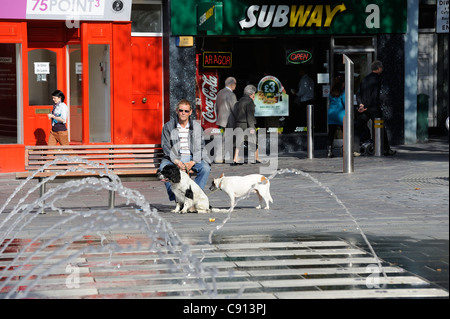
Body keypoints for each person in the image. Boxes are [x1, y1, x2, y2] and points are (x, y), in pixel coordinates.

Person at [160, 99, 211, 201]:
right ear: (176, 110)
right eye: (181, 110)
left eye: (186, 111)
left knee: (205, 168)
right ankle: (177, 198)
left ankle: (194, 197)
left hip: (192, 157)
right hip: (174, 157)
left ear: (190, 112)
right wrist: (176, 161)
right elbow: (166, 146)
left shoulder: (196, 127)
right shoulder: (168, 126)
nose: (183, 113)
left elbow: (200, 147)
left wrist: (192, 162)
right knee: (164, 168)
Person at [356, 60, 396, 156]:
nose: (382, 70)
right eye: (381, 68)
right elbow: (374, 95)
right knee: (380, 127)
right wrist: (368, 106)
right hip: (373, 108)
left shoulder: (365, 79)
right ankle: (386, 149)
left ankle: (355, 149)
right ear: (378, 69)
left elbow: (358, 93)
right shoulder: (378, 79)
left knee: (358, 127)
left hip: (363, 108)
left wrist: (360, 104)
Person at [231, 84, 262, 165]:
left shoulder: (240, 100)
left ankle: (235, 159)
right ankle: (256, 158)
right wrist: (252, 128)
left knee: (238, 143)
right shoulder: (249, 102)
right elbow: (250, 116)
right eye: (254, 93)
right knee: (254, 142)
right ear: (252, 94)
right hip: (247, 125)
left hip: (239, 124)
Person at [215, 77, 237, 163]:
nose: (235, 86)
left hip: (221, 120)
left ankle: (219, 158)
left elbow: (216, 107)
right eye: (235, 84)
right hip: (229, 120)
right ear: (232, 84)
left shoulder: (220, 93)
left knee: (221, 140)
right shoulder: (231, 95)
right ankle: (227, 158)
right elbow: (234, 109)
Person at [327, 77, 345, 158]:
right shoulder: (343, 92)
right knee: (345, 133)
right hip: (340, 114)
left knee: (331, 134)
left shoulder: (332, 92)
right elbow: (345, 103)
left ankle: (329, 151)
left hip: (331, 114)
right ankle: (346, 150)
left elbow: (330, 101)